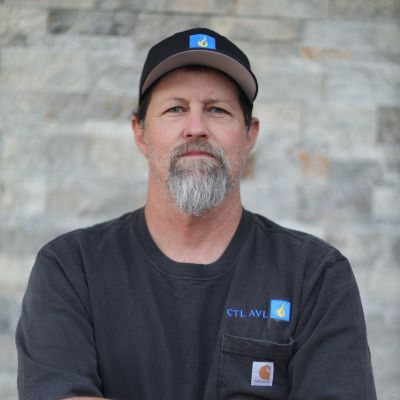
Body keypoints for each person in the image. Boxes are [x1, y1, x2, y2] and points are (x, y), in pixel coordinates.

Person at [16, 28, 377, 400]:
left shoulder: (314, 274)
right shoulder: (71, 268)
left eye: (217, 109)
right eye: (175, 108)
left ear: (249, 135)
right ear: (140, 133)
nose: (196, 128)